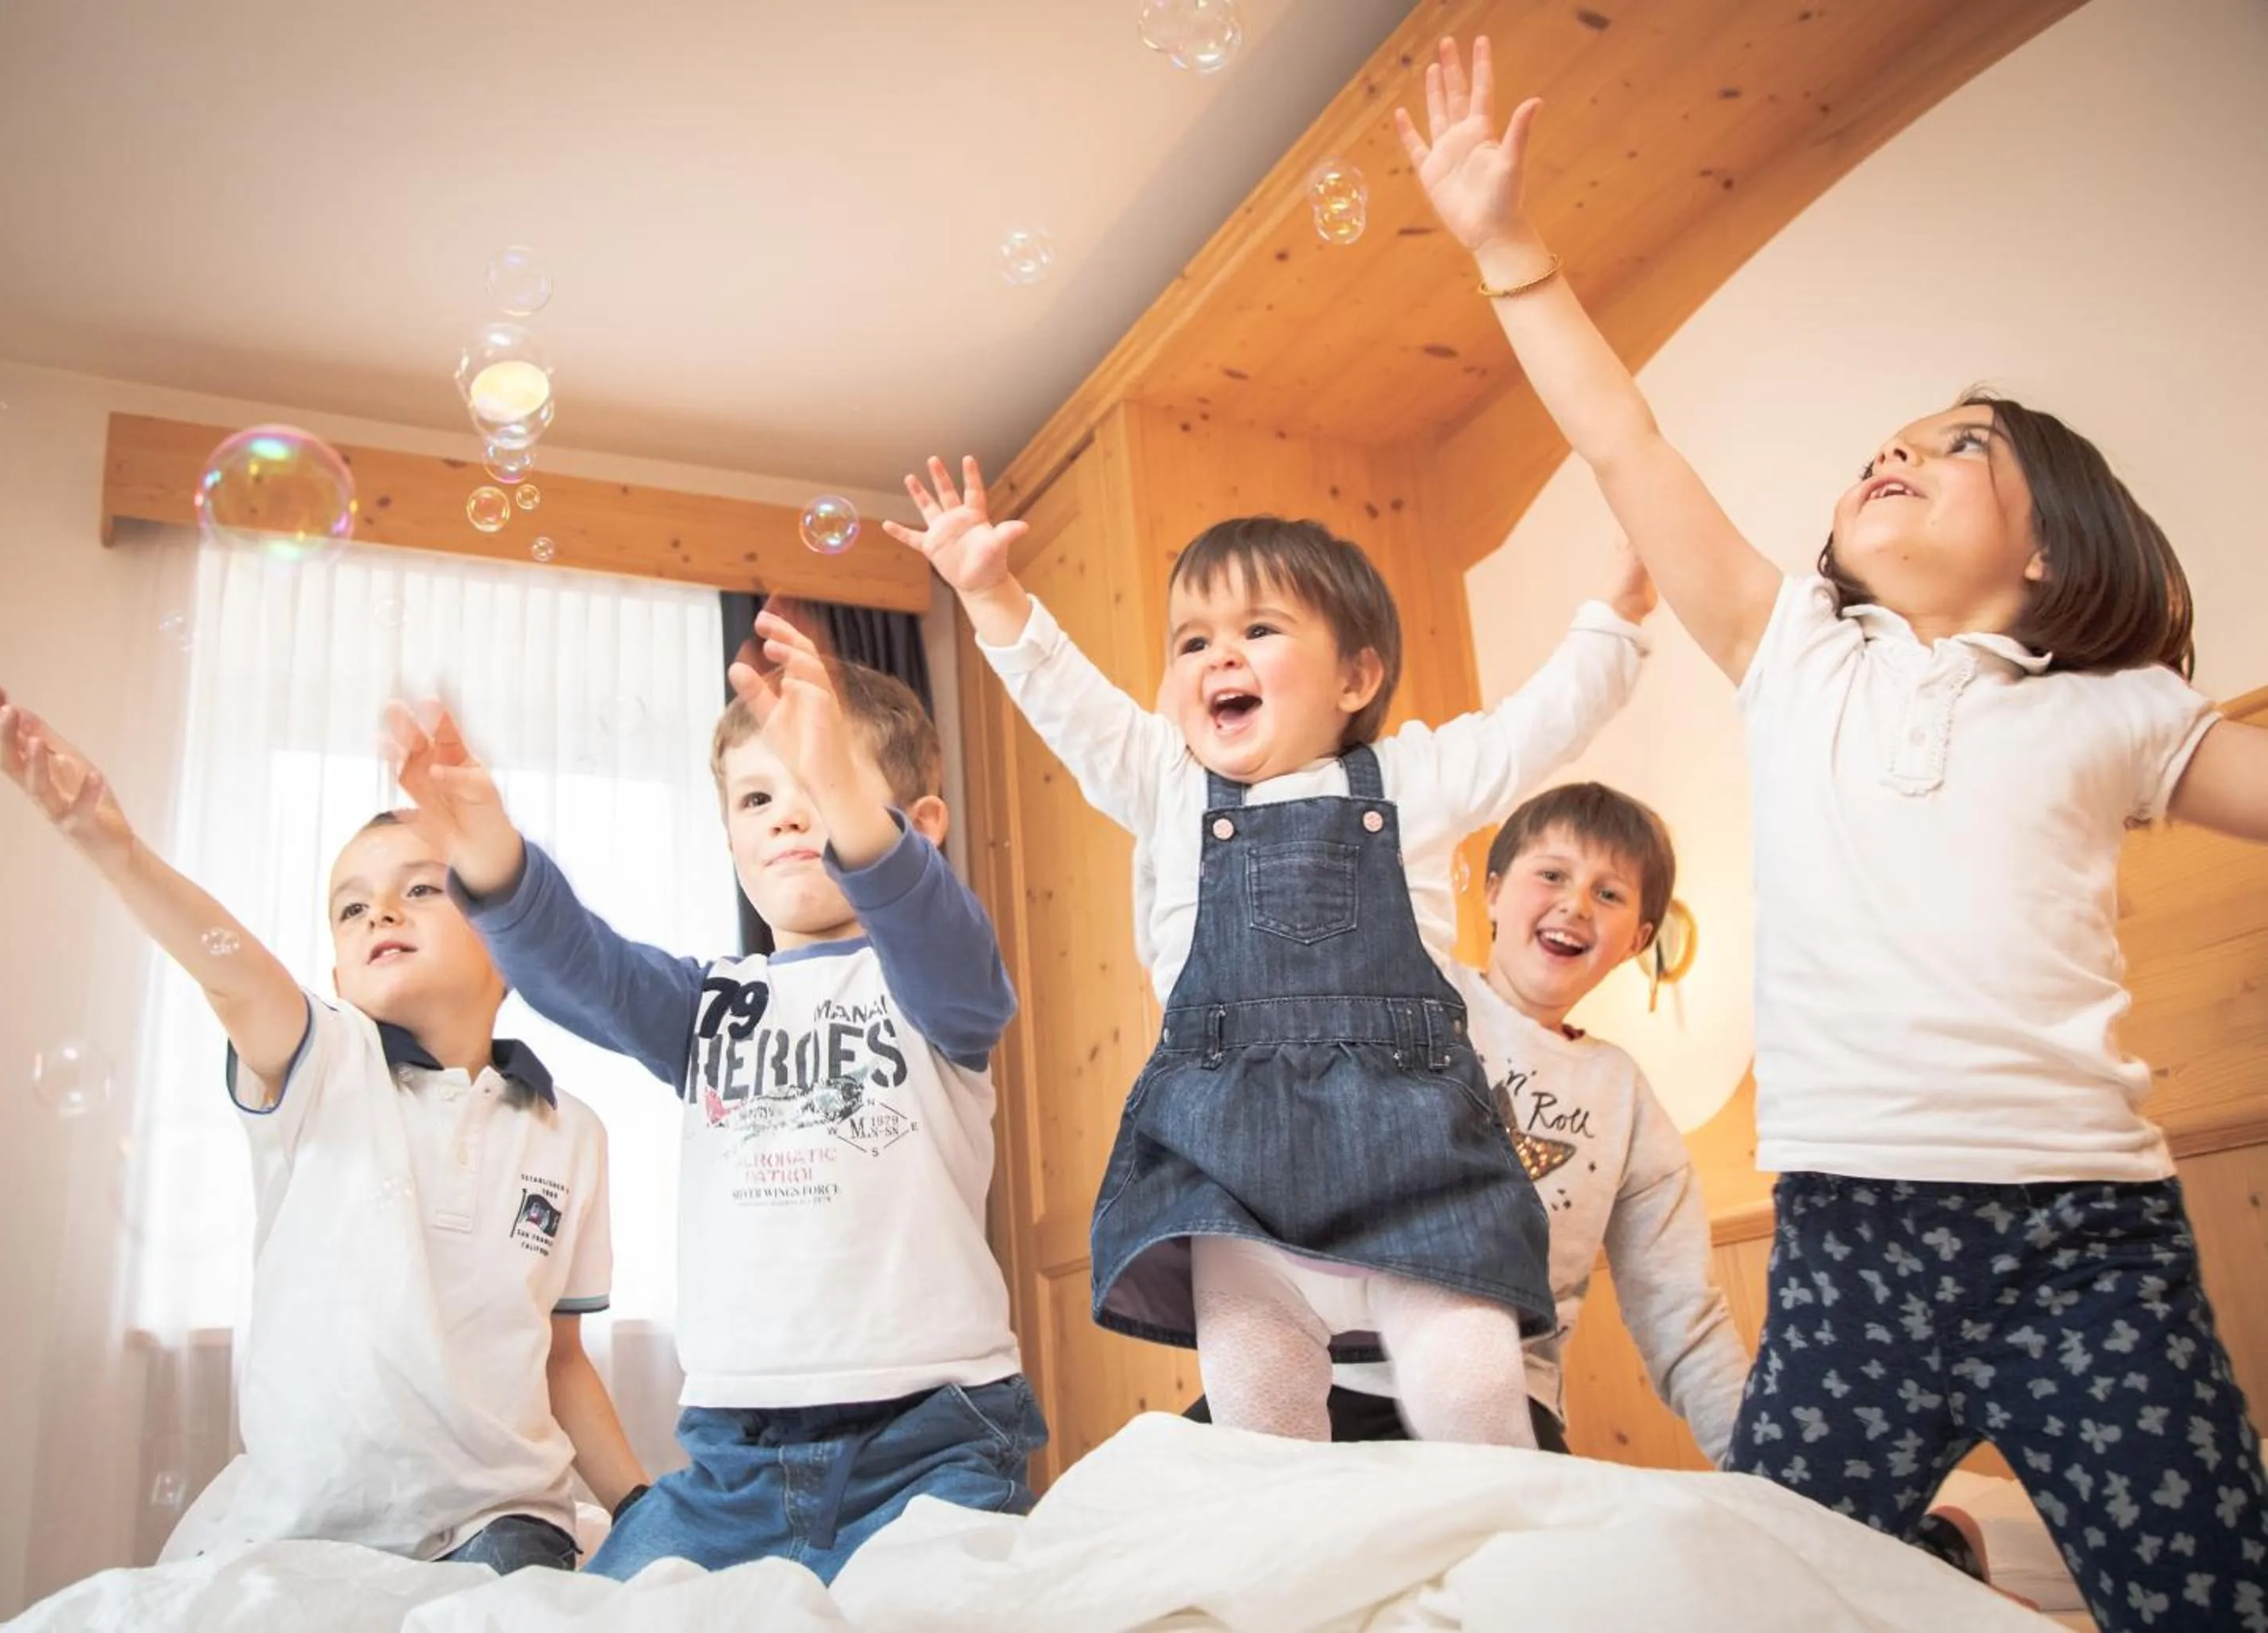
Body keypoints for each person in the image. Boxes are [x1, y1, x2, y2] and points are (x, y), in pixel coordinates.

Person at [1397, 35, 2268, 1627]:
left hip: (2089, 1237)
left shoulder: (2118, 707)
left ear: (2057, 549)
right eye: (1894, 436)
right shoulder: (1795, 648)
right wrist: (1512, 254)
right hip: (1853, 1236)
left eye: (1961, 446)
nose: (1904, 449)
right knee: (1763, 1584)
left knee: (2208, 1585)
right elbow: (1628, 446)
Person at [889, 456, 1652, 1446]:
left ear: (1356, 675)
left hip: (1413, 1166)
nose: (1219, 658)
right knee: (1263, 1421)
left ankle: (1504, 1573)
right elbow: (1066, 699)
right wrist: (990, 590)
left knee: (1471, 1388)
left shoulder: (1409, 778)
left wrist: (1621, 612)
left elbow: (1536, 725)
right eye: (1194, 640)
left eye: (1258, 630)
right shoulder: (1165, 781)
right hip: (1231, 1176)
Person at [383, 612, 1043, 1583]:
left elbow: (941, 940)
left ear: (920, 826)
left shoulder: (934, 986)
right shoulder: (708, 1007)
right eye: (757, 796)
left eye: (816, 788)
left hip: (934, 1440)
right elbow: (586, 967)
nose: (785, 815)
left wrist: (855, 812)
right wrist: (485, 841)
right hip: (735, 1460)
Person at [0, 686, 642, 1574]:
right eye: (352, 906)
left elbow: (563, 1360)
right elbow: (236, 975)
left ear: (507, 943)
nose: (381, 913)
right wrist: (114, 844)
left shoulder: (575, 1134)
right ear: (336, 965)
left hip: (501, 1514)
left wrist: (640, 1508)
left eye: (421, 888)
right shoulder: (325, 1061)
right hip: (307, 1515)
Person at [1186, 782, 1749, 1468]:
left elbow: (1681, 1317)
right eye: (1552, 874)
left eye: (1609, 893)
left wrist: (1765, 1472)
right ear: (1491, 893)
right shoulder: (1411, 997)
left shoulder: (1624, 1097)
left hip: (1505, 1405)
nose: (1575, 904)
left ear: (1638, 939)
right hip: (1334, 1375)